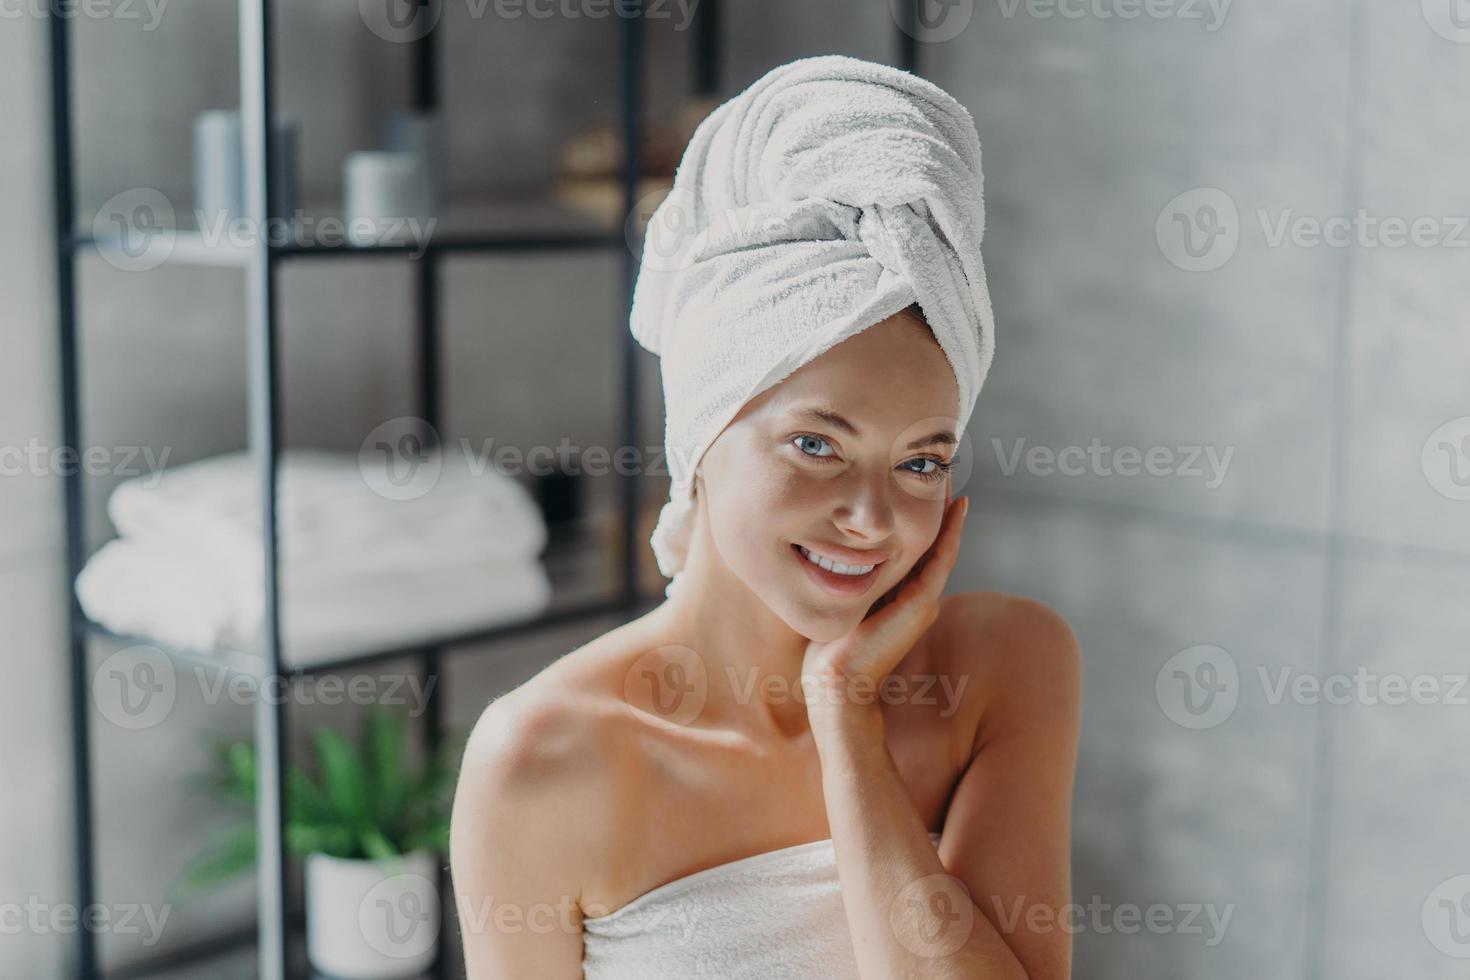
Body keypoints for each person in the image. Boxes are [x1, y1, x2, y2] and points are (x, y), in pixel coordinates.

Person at [450, 55, 1081, 980]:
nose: (871, 518)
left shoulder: (1003, 668)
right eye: (816, 444)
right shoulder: (543, 758)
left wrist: (847, 716)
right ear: (703, 434)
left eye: (920, 462)